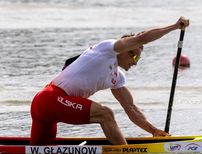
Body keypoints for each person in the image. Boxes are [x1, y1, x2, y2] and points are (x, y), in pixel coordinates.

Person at [30, 16, 190, 145]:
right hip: (50, 99)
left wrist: (154, 131)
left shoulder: (117, 78)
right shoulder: (107, 48)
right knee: (105, 114)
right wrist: (175, 27)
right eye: (134, 55)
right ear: (125, 48)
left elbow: (131, 108)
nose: (135, 62)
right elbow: (142, 38)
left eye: (138, 59)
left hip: (46, 106)